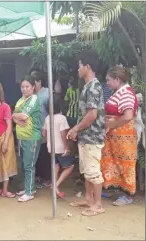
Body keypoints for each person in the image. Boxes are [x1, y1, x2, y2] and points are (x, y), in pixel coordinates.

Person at [67, 51, 105, 216]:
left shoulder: (93, 87)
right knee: (87, 170)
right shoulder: (88, 86)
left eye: (80, 66)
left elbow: (91, 115)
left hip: (92, 136)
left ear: (87, 67)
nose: (78, 69)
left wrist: (75, 129)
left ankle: (98, 204)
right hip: (87, 136)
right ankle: (89, 199)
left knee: (93, 171)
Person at [101, 66, 138, 206]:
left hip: (124, 137)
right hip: (115, 137)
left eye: (109, 80)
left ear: (117, 79)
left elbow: (128, 116)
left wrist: (112, 124)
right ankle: (114, 190)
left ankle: (127, 195)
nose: (107, 83)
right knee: (113, 162)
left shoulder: (127, 93)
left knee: (125, 164)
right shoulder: (118, 92)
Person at [13, 76, 42, 202]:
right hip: (21, 136)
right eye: (22, 87)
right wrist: (14, 116)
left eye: (27, 87)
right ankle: (29, 188)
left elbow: (24, 116)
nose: (24, 89)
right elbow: (14, 116)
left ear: (33, 87)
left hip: (32, 137)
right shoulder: (20, 100)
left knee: (29, 165)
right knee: (24, 164)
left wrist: (14, 115)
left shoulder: (33, 99)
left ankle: (29, 192)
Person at [43, 97, 75, 198]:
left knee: (56, 165)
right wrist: (67, 147)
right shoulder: (62, 118)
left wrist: (49, 141)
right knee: (70, 166)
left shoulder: (48, 118)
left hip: (50, 147)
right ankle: (56, 185)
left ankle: (55, 186)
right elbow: (63, 133)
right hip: (60, 147)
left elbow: (44, 132)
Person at [31, 71, 51, 188]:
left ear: (39, 82)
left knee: (45, 154)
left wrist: (47, 128)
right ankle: (38, 177)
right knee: (36, 154)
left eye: (34, 83)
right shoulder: (30, 94)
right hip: (33, 130)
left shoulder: (47, 94)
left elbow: (51, 112)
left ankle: (47, 178)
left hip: (45, 129)